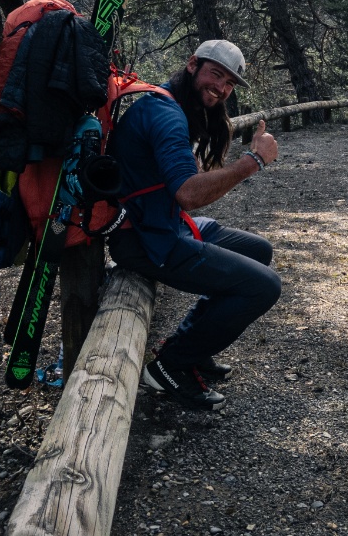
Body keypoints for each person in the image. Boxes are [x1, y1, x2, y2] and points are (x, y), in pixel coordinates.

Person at [107, 40, 281, 410]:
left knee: (258, 250)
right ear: (192, 65)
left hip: (164, 223)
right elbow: (187, 193)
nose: (221, 88)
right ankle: (171, 367)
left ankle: (192, 345)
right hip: (145, 239)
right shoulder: (167, 115)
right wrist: (253, 161)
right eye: (216, 74)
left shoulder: (169, 104)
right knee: (264, 287)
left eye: (229, 83)